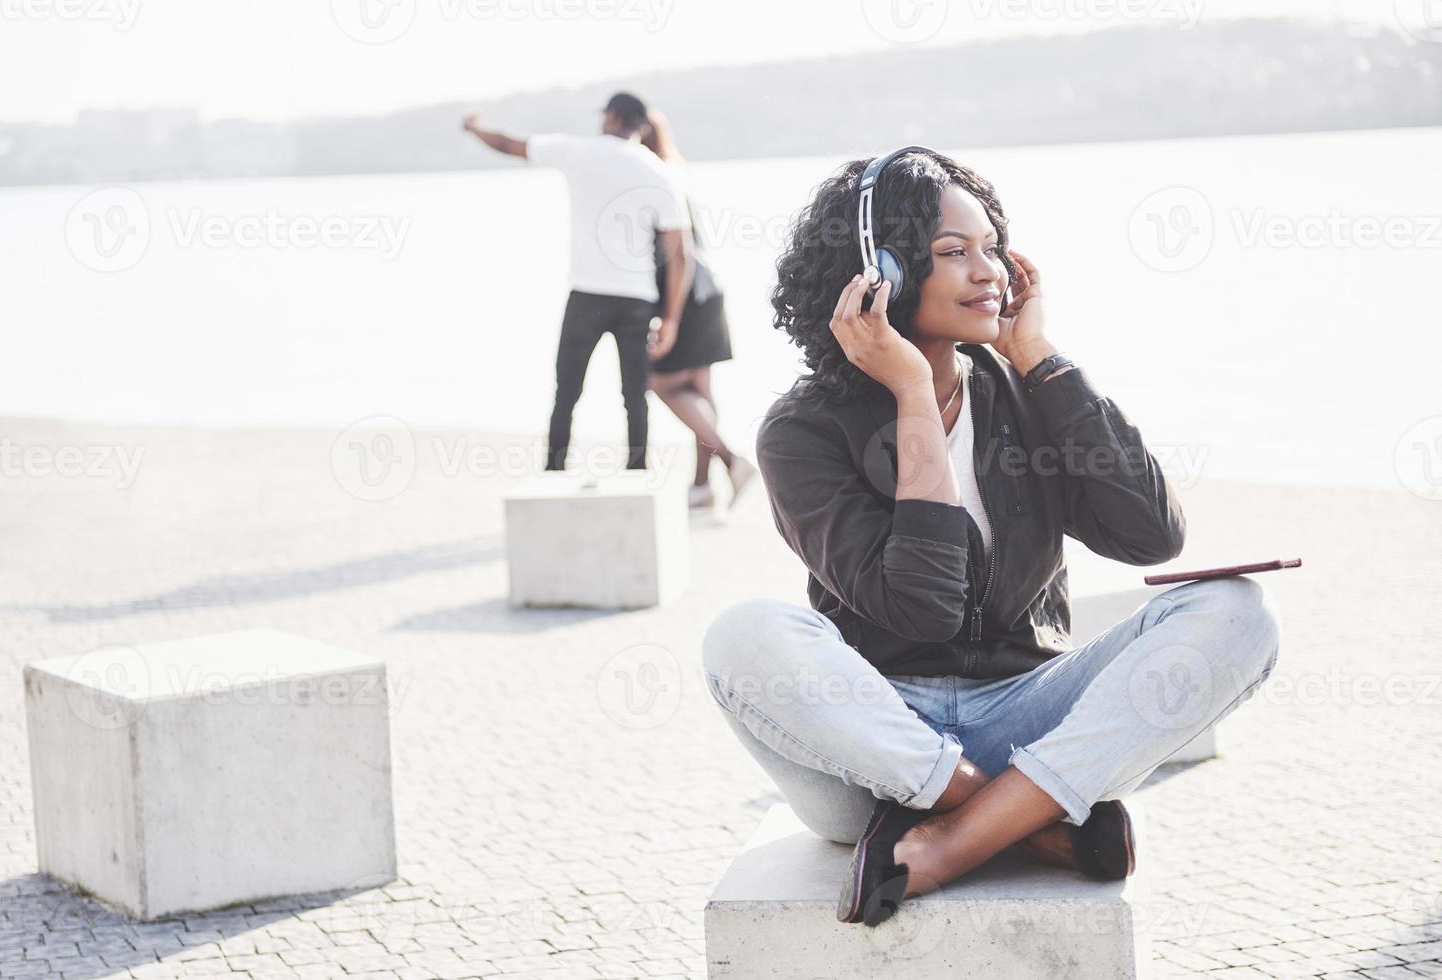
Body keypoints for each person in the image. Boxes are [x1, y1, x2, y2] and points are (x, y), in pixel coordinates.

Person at [699, 148, 1283, 927]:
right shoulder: (801, 430)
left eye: (991, 248)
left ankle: (952, 841)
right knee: (744, 634)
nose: (990, 273)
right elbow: (922, 613)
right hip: (874, 746)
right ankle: (1025, 821)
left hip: (1023, 712)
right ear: (882, 273)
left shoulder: (1023, 390)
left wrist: (1040, 361)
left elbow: (1150, 536)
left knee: (1236, 611)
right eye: (952, 253)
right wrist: (911, 391)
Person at [461, 92, 692, 472]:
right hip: (637, 298)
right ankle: (636, 473)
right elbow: (680, 254)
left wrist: (473, 127)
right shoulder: (661, 172)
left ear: (614, 118)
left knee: (566, 392)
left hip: (587, 295)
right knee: (634, 395)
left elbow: (507, 143)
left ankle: (554, 470)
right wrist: (672, 319)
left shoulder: (578, 152)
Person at [638, 107, 758, 510]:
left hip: (684, 293)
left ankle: (730, 460)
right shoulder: (676, 172)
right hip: (707, 290)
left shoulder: (650, 179)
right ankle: (702, 486)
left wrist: (667, 314)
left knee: (662, 383)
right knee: (699, 392)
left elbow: (675, 254)